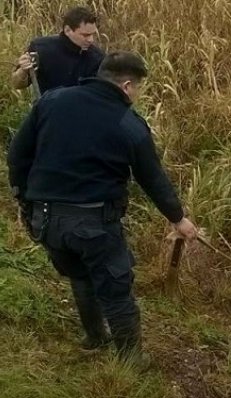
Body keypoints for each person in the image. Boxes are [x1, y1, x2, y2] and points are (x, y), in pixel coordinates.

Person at [7, 51, 198, 365]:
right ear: (126, 86)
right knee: (115, 288)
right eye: (137, 89)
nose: (136, 95)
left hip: (46, 219)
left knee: (80, 276)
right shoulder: (129, 124)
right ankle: (131, 361)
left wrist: (24, 199)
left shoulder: (53, 101)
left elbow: (17, 155)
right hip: (93, 222)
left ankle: (95, 337)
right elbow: (153, 179)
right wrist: (179, 219)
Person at [11, 6, 104, 94]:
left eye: (92, 34)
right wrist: (23, 70)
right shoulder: (41, 49)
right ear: (67, 30)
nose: (91, 40)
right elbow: (17, 84)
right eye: (85, 35)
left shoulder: (97, 57)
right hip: (47, 108)